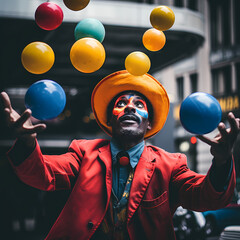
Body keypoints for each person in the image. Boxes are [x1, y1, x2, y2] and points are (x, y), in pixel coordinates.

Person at [1, 70, 239, 240]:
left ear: (148, 124)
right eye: (121, 103)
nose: (129, 107)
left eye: (139, 104)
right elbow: (43, 174)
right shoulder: (83, 152)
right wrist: (26, 140)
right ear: (111, 120)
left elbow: (207, 198)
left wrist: (222, 160)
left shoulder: (171, 164)